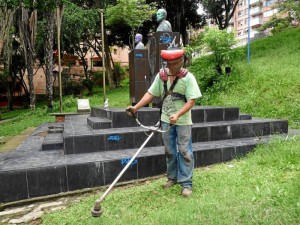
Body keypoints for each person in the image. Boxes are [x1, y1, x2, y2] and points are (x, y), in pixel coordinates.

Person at [127, 48, 202, 197]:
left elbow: (192, 101)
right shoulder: (161, 77)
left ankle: (186, 184)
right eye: (170, 63)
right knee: (169, 151)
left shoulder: (188, 78)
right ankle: (172, 178)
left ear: (182, 61)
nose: (173, 66)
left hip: (183, 121)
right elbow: (150, 94)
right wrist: (135, 108)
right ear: (165, 63)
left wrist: (178, 114)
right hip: (166, 120)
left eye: (176, 63)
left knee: (184, 151)